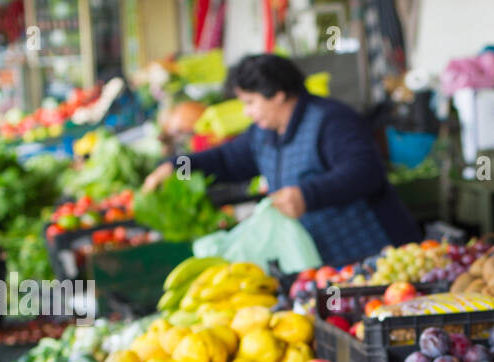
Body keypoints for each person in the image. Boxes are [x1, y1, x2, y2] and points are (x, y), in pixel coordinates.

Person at [143, 53, 418, 266]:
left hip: (378, 251)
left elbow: (366, 172)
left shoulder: (331, 119)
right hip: (328, 263)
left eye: (250, 102)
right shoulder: (263, 134)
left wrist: (307, 196)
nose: (247, 112)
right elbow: (226, 160)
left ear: (277, 93)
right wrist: (176, 165)